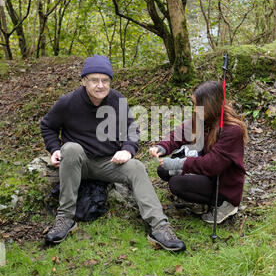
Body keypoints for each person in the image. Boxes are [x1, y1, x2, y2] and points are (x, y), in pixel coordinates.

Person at [40, 54, 185, 251]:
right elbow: (47, 126)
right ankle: (65, 218)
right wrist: (54, 149)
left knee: (136, 167)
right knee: (71, 148)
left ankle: (159, 227)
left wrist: (127, 149)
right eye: (94, 80)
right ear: (84, 81)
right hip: (77, 163)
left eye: (105, 80)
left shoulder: (117, 100)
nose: (100, 85)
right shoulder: (68, 102)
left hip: (107, 163)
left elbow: (132, 130)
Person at [149, 81, 248, 224]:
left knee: (176, 184)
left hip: (224, 183)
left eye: (197, 104)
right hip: (207, 174)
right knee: (163, 170)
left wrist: (179, 163)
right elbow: (181, 133)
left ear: (210, 105)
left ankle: (225, 205)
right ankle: (201, 197)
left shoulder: (232, 130)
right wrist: (162, 147)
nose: (195, 109)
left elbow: (212, 164)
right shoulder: (203, 117)